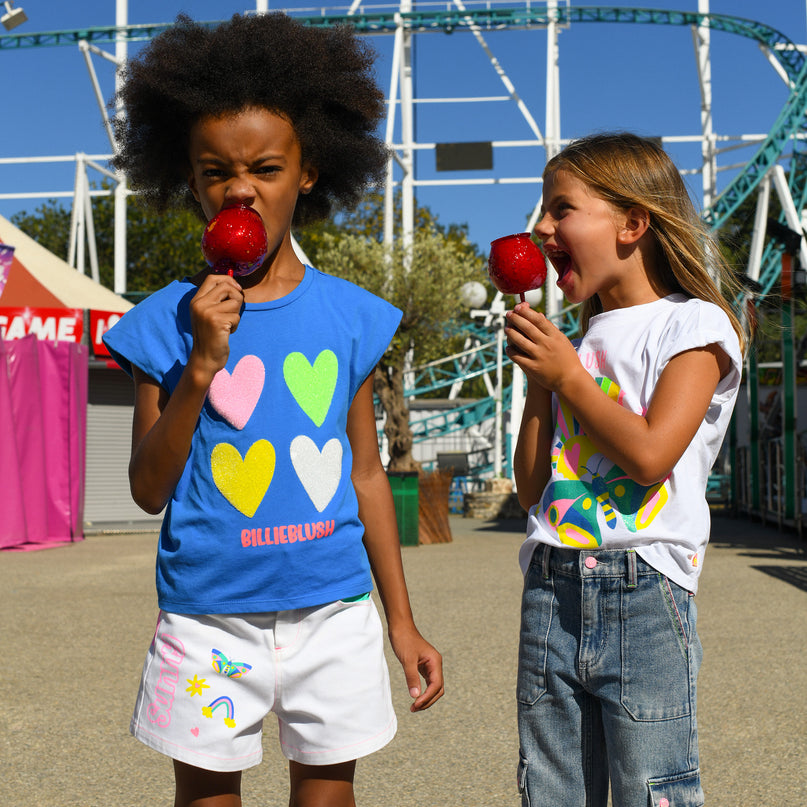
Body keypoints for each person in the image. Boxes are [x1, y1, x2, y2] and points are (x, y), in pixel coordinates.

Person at [103, 13, 443, 807]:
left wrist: (402, 621)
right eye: (215, 170)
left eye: (264, 167)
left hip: (333, 610)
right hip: (206, 620)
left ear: (310, 172)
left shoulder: (352, 315)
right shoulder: (160, 321)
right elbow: (149, 487)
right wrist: (199, 365)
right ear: (188, 180)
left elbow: (363, 472)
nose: (239, 188)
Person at [506, 132, 745, 807]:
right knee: (550, 787)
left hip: (643, 586)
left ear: (633, 223)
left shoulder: (693, 326)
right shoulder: (576, 341)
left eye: (560, 209)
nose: (542, 228)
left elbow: (648, 456)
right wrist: (539, 383)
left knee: (652, 786)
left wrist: (566, 376)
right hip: (551, 583)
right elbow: (531, 488)